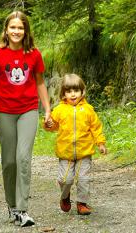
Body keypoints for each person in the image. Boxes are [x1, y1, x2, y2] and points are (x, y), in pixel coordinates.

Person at [0, 11, 51, 227]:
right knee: (9, 161)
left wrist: (47, 109)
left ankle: (22, 209)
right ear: (6, 30)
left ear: (25, 30)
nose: (16, 31)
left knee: (23, 158)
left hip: (28, 109)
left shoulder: (34, 54)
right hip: (5, 111)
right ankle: (11, 205)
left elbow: (39, 83)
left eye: (20, 28)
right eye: (13, 27)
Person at [43, 73, 107, 215]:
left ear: (82, 92)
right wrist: (48, 123)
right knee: (65, 179)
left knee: (84, 178)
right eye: (69, 91)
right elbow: (52, 126)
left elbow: (95, 127)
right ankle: (65, 197)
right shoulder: (60, 110)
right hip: (65, 152)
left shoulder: (88, 109)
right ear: (63, 94)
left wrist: (100, 143)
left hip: (84, 151)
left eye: (76, 91)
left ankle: (82, 203)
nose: (73, 94)